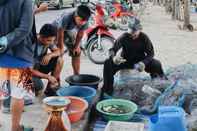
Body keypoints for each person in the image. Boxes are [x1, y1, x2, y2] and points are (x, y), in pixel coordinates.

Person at [102, 17, 166, 96]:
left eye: (134, 33)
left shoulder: (144, 38)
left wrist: (143, 63)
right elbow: (112, 50)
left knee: (156, 64)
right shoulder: (123, 37)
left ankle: (159, 85)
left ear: (139, 30)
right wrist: (114, 58)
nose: (132, 35)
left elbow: (151, 54)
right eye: (131, 33)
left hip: (139, 62)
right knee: (107, 63)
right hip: (125, 61)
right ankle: (107, 90)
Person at [0, 0, 34, 131]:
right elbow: (25, 28)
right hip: (21, 56)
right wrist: (7, 40)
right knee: (18, 95)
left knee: (0, 92)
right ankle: (16, 128)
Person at [53, 5, 91, 75]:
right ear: (75, 15)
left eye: (84, 21)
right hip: (56, 30)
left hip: (68, 30)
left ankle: (77, 76)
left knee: (77, 52)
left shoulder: (85, 20)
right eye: (80, 20)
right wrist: (60, 47)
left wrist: (76, 47)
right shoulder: (67, 17)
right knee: (58, 54)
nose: (82, 23)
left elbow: (80, 34)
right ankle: (55, 78)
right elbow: (60, 32)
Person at [30, 24, 63, 96]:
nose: (51, 42)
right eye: (49, 40)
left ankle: (50, 88)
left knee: (60, 60)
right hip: (27, 72)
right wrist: (47, 76)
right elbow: (29, 70)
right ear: (41, 37)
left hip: (38, 67)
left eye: (52, 40)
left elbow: (58, 51)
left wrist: (50, 55)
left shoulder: (48, 40)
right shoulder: (31, 45)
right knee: (39, 87)